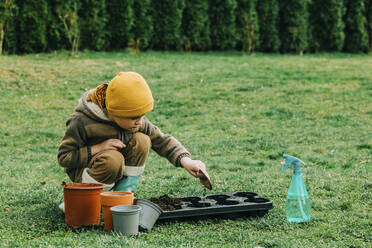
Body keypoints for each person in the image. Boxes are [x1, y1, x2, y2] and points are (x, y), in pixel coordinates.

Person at [57, 72, 209, 198]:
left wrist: (186, 161)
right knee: (112, 159)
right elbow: (64, 157)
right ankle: (86, 198)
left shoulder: (136, 120)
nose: (140, 122)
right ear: (113, 112)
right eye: (133, 118)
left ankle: (123, 193)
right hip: (85, 173)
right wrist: (98, 148)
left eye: (142, 116)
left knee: (142, 140)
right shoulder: (81, 121)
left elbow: (161, 140)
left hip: (114, 169)